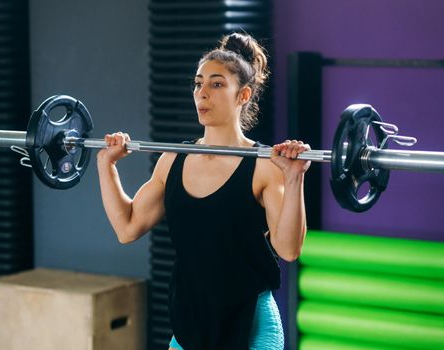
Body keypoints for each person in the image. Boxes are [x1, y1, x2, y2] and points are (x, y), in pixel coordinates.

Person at [96, 32, 310, 350]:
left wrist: (294, 179)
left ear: (244, 95)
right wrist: (106, 165)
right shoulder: (172, 160)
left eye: (217, 84)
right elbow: (127, 227)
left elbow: (288, 249)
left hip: (250, 325)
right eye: (198, 83)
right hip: (191, 326)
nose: (202, 93)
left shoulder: (264, 165)